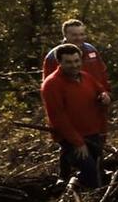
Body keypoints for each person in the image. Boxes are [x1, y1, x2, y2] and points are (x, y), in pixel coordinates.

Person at [42, 43, 107, 190]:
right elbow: (57, 117)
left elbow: (101, 91)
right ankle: (85, 201)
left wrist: (105, 97)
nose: (74, 65)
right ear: (60, 62)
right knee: (90, 172)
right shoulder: (52, 84)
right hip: (72, 139)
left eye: (77, 61)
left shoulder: (86, 77)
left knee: (98, 171)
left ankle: (73, 187)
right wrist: (78, 142)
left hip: (93, 134)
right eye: (69, 62)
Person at [43, 18, 111, 107]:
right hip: (71, 104)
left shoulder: (91, 50)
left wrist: (106, 92)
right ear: (65, 35)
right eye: (74, 35)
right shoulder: (53, 56)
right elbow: (49, 86)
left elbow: (102, 72)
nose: (79, 38)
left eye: (82, 34)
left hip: (97, 101)